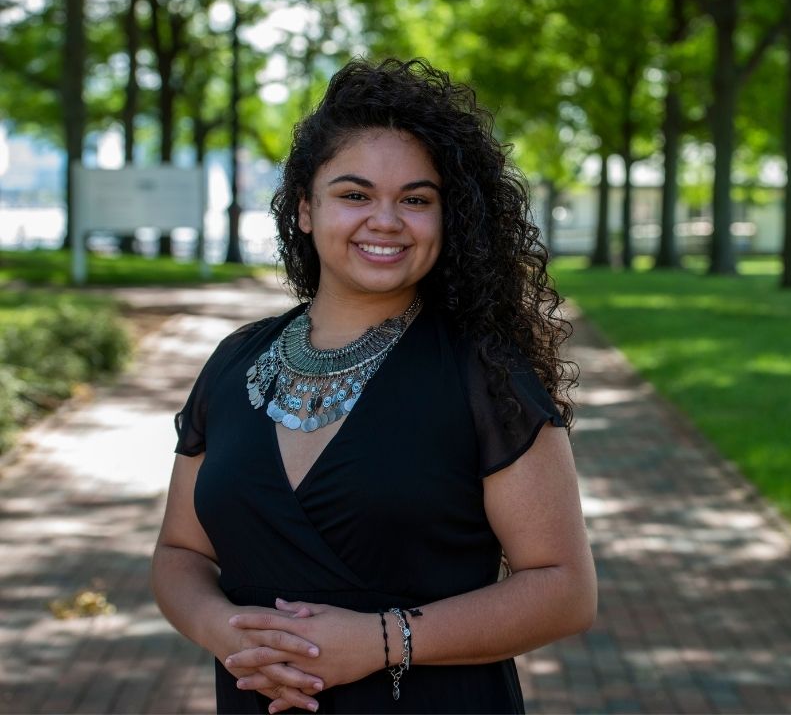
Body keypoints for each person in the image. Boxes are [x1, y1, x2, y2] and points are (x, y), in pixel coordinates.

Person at [151, 57, 597, 715]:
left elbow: (565, 590)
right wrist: (226, 630)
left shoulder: (485, 375)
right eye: (354, 194)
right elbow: (179, 551)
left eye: (415, 199)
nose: (385, 220)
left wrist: (382, 641)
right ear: (305, 209)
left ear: (448, 219)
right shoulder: (233, 363)